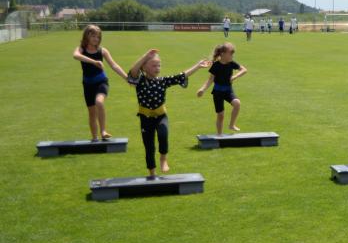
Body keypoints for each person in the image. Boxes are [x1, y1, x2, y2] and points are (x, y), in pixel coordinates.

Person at [127, 49, 209, 178]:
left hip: (161, 116)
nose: (157, 68)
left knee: (163, 135)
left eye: (159, 65)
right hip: (145, 118)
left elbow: (181, 76)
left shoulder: (162, 81)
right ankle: (152, 173)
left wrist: (198, 66)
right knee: (149, 147)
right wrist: (144, 57)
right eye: (154, 65)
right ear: (144, 67)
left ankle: (163, 159)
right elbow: (133, 72)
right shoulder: (140, 81)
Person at [72, 25, 127, 141]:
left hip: (101, 82)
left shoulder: (102, 51)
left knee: (99, 102)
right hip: (87, 85)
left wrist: (126, 77)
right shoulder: (81, 49)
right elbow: (76, 56)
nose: (96, 39)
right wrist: (94, 62)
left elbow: (114, 65)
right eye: (93, 36)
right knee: (92, 113)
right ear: (86, 36)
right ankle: (94, 138)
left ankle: (103, 131)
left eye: (98, 37)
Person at [196, 42, 248, 134]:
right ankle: (219, 135)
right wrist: (202, 89)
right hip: (218, 92)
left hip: (228, 90)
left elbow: (244, 70)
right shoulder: (216, 65)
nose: (232, 55)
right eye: (231, 53)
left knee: (237, 103)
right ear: (223, 54)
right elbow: (210, 80)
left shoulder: (231, 63)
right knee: (220, 115)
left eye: (233, 53)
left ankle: (231, 125)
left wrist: (235, 76)